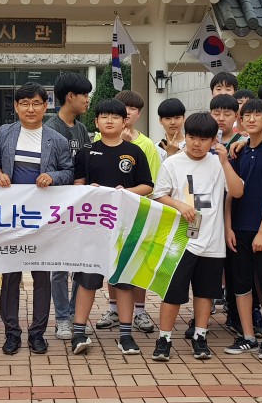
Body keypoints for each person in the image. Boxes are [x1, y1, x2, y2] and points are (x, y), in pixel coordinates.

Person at [151, 112, 244, 361]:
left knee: (205, 293)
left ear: (214, 140)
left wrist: (225, 162)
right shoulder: (173, 163)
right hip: (180, 242)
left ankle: (200, 337)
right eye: (192, 137)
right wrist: (179, 205)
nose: (197, 144)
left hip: (212, 242)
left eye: (204, 139)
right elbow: (158, 195)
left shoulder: (218, 163)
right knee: (172, 293)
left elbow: (237, 191)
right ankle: (164, 339)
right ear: (186, 136)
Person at [0, 82, 74, 355]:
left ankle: (37, 333)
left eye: (36, 103)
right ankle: (11, 333)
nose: (30, 109)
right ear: (16, 107)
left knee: (41, 276)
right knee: (10, 276)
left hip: (42, 219)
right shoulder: (5, 133)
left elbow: (69, 172)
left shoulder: (57, 139)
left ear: (46, 105)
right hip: (11, 217)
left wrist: (53, 176)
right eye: (25, 104)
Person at [70, 99, 153, 355]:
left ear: (124, 122)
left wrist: (126, 192)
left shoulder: (134, 152)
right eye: (104, 116)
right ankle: (79, 332)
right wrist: (88, 189)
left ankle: (125, 335)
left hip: (125, 227)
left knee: (124, 281)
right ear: (96, 122)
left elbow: (147, 186)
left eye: (115, 117)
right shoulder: (86, 152)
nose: (109, 121)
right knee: (87, 280)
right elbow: (77, 185)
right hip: (93, 227)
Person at [222, 99, 262, 360]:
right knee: (241, 283)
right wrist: (228, 227)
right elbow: (230, 193)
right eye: (246, 115)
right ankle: (247, 336)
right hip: (238, 229)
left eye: (257, 114)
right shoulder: (238, 152)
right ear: (241, 120)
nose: (251, 118)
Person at [96, 90, 160, 334]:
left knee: (138, 263)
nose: (127, 112)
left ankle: (140, 311)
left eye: (132, 109)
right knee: (112, 262)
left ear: (136, 114)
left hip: (137, 213)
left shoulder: (146, 145)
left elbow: (151, 183)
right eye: (123, 108)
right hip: (106, 215)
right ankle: (113, 308)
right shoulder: (98, 139)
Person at [44, 72, 93, 340]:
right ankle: (62, 318)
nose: (87, 100)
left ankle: (76, 314)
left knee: (81, 263)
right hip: (59, 208)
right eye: (84, 95)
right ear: (70, 97)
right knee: (60, 267)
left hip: (82, 207)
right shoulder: (50, 129)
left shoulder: (82, 129)